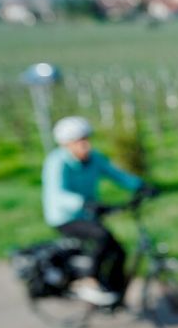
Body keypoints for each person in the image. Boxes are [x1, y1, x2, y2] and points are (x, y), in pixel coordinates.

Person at [42, 116, 144, 306]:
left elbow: (116, 174)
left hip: (87, 213)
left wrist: (140, 185)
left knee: (119, 252)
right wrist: (83, 203)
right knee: (101, 236)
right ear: (67, 144)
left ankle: (115, 295)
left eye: (86, 138)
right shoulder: (56, 162)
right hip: (64, 217)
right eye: (79, 141)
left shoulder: (94, 158)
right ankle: (88, 281)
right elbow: (57, 195)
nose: (85, 144)